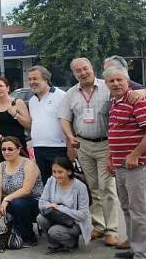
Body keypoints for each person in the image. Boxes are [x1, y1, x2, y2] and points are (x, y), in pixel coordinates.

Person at [60, 57, 122, 247]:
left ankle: (112, 230)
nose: (83, 73)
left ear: (91, 68)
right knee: (93, 187)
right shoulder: (70, 93)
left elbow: (129, 93)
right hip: (84, 146)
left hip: (106, 145)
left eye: (85, 69)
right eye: (78, 71)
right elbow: (64, 118)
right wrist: (70, 138)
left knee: (107, 188)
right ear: (74, 73)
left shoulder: (108, 86)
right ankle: (99, 225)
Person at [105, 65, 146, 259]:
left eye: (119, 80)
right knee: (127, 209)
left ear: (127, 81)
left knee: (139, 212)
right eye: (111, 81)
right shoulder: (114, 102)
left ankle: (141, 253)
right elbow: (113, 132)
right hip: (120, 165)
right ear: (106, 84)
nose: (115, 83)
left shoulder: (136, 100)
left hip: (136, 166)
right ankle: (134, 248)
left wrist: (135, 154)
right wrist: (110, 157)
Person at [0, 136, 43, 247]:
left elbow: (26, 189)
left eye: (10, 149)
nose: (6, 152)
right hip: (10, 200)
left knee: (17, 203)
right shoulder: (1, 166)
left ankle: (29, 237)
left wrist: (7, 199)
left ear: (18, 149)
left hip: (33, 200)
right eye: (3, 149)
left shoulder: (28, 164)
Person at [38, 157, 92, 255]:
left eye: (60, 172)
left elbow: (83, 215)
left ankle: (71, 243)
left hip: (74, 222)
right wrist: (50, 207)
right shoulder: (51, 181)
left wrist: (59, 208)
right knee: (40, 218)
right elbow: (42, 202)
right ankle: (54, 245)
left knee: (54, 231)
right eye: (54, 172)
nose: (56, 175)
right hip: (55, 216)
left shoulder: (80, 187)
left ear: (69, 172)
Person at [27, 65, 68, 184]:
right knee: (47, 183)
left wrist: (70, 147)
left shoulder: (61, 96)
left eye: (35, 79)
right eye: (29, 79)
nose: (32, 82)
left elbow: (68, 122)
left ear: (45, 79)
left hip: (58, 148)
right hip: (39, 148)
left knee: (61, 182)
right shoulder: (32, 101)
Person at [0, 76, 31, 162]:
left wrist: (15, 114)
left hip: (17, 146)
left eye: (1, 86)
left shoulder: (18, 102)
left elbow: (28, 124)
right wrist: (3, 139)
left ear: (7, 88)